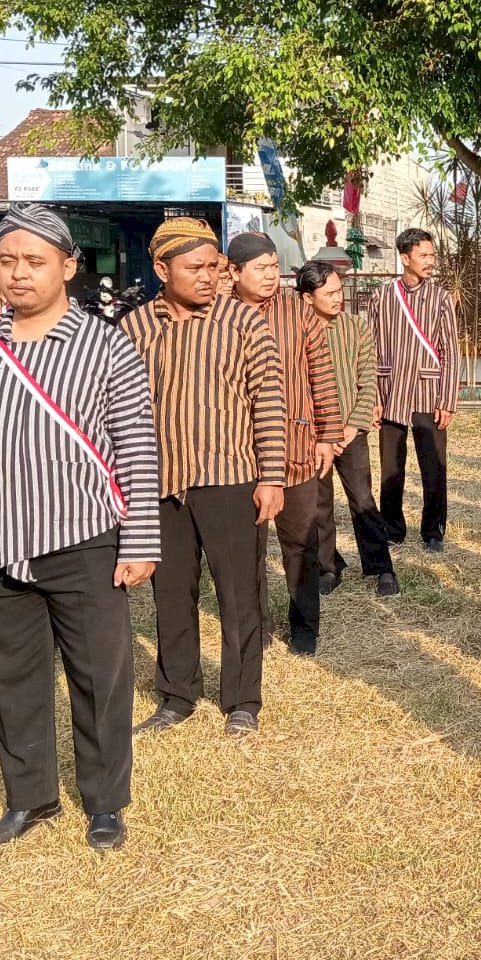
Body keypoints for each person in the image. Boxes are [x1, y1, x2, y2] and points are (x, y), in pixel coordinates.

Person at [0, 205, 159, 852]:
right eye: (7, 260)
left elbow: (137, 444)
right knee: (14, 682)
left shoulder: (107, 345)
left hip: (86, 544)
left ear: (68, 267)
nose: (19, 274)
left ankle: (105, 803)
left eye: (35, 261)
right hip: (2, 550)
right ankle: (30, 799)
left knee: (97, 680)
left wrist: (140, 539)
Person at [120, 216, 286, 737]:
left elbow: (270, 402)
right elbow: (119, 410)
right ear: (161, 268)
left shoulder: (244, 322)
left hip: (231, 477)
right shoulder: (135, 328)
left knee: (239, 596)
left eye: (214, 267)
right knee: (171, 595)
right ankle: (176, 693)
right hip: (161, 483)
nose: (209, 276)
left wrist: (273, 476)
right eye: (195, 268)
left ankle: (242, 699)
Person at [227, 233, 340, 655]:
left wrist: (328, 434)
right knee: (246, 552)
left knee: (301, 543)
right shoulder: (218, 315)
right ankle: (258, 626)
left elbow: (322, 376)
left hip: (297, 447)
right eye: (262, 268)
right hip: (238, 456)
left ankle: (305, 628)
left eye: (275, 266)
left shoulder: (297, 312)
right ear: (234, 272)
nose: (272, 275)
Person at [298, 261, 400, 597]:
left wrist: (353, 426)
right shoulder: (296, 331)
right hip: (312, 436)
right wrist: (319, 433)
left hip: (351, 431)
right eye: (329, 293)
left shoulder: (357, 327)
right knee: (319, 503)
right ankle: (328, 567)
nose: (338, 298)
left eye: (340, 290)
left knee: (362, 499)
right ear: (307, 297)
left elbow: (368, 379)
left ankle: (381, 567)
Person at [368, 228, 459, 552]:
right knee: (391, 467)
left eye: (432, 255)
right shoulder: (382, 295)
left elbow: (451, 351)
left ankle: (433, 530)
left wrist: (447, 401)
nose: (430, 261)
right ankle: (392, 528)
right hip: (391, 390)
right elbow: (371, 348)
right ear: (405, 257)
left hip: (428, 392)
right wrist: (373, 398)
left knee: (434, 467)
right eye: (424, 255)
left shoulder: (442, 298)